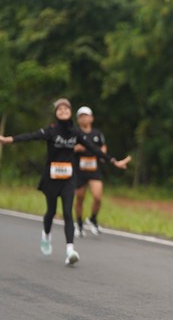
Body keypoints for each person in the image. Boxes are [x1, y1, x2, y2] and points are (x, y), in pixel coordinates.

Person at [0, 98, 131, 266]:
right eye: (59, 109)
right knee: (51, 211)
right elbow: (31, 136)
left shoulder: (75, 133)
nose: (63, 111)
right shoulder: (51, 131)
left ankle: (70, 251)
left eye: (66, 109)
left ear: (70, 112)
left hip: (68, 178)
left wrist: (113, 161)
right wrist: (8, 140)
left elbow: (94, 149)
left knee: (67, 213)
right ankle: (46, 235)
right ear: (56, 113)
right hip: (51, 178)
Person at [73, 106, 107, 237]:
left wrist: (103, 154)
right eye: (81, 116)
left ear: (91, 118)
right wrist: (76, 148)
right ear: (78, 120)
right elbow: (67, 147)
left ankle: (92, 219)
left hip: (94, 170)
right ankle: (79, 223)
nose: (84, 118)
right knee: (80, 197)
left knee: (98, 197)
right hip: (79, 170)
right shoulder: (75, 133)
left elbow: (103, 146)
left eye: (86, 116)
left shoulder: (97, 134)